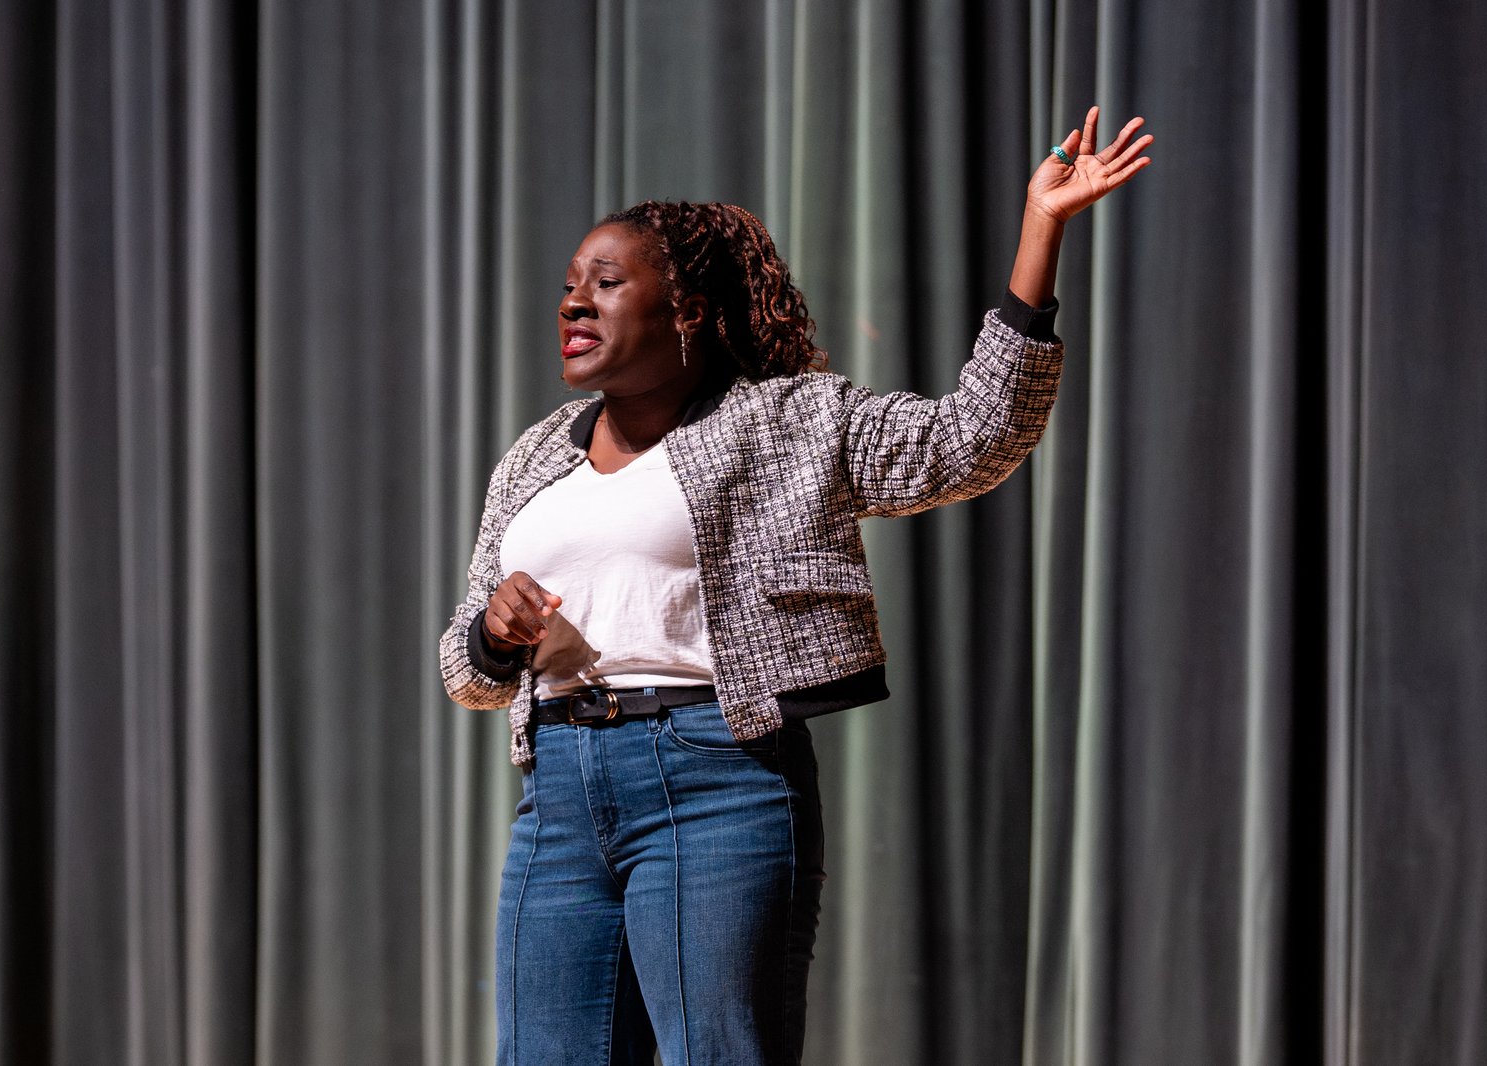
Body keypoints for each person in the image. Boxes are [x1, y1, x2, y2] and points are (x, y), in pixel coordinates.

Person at [440, 106, 1153, 1065]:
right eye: (570, 287)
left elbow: (974, 440)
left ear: (686, 309)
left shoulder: (785, 423)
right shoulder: (534, 458)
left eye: (606, 284)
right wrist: (493, 632)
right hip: (560, 795)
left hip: (712, 777)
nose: (574, 304)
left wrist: (1041, 233)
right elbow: (467, 671)